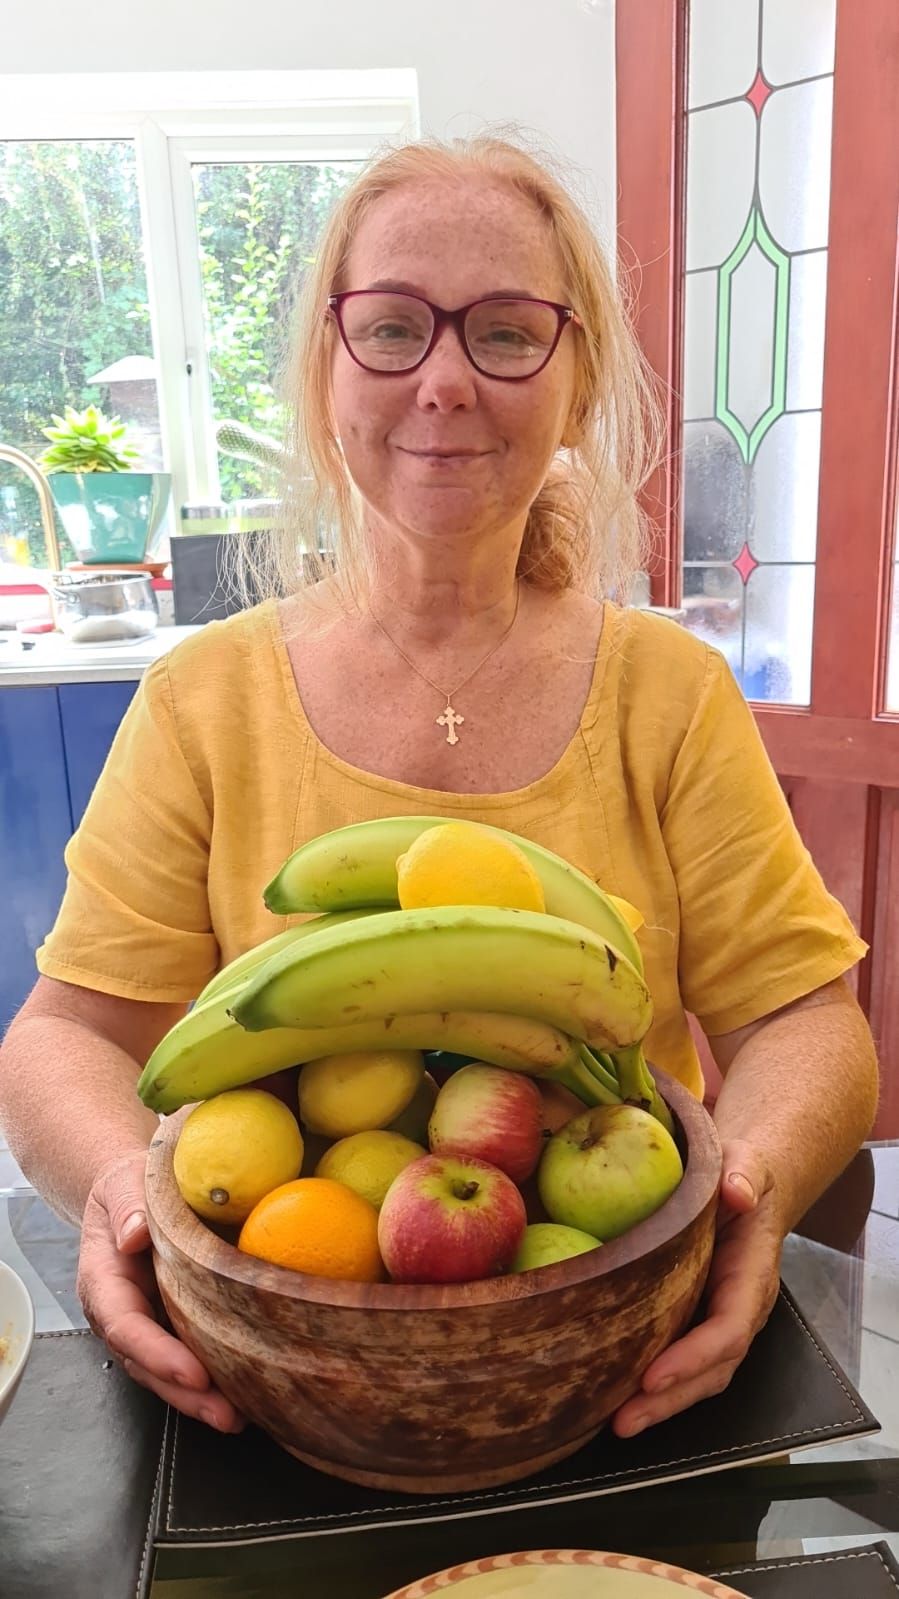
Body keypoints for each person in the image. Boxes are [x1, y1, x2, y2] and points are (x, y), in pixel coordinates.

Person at [0, 133, 878, 1443]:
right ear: (326, 372)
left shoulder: (671, 695)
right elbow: (63, 1038)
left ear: (577, 385)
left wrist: (749, 1198)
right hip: (282, 1367)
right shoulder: (202, 701)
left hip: (616, 1345)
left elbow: (807, 1022)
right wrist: (125, 1196)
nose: (447, 380)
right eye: (393, 328)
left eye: (508, 332)